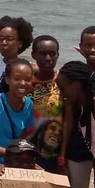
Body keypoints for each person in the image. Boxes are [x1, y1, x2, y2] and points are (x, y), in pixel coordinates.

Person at [0, 57, 36, 164]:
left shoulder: (29, 104)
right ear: (8, 80)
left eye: (27, 79)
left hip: (12, 164)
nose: (23, 83)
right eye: (17, 79)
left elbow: (22, 139)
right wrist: (12, 155)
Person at [27, 35, 66, 176]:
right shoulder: (25, 82)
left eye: (52, 53)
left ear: (58, 55)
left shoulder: (64, 81)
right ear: (33, 55)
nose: (48, 58)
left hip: (55, 151)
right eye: (42, 54)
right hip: (27, 150)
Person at [0, 16, 34, 95]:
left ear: (20, 43)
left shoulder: (26, 67)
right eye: (1, 39)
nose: (4, 43)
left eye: (9, 39)